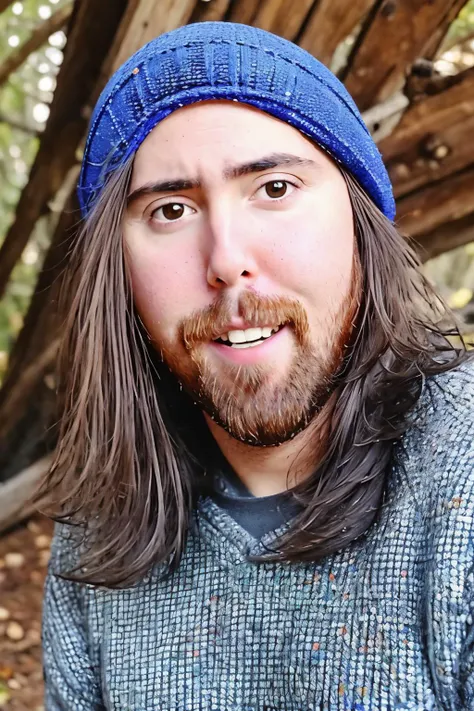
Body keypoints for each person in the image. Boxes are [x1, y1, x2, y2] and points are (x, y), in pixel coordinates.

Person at [38, 20, 474, 711]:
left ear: (361, 225)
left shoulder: (463, 479)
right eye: (171, 209)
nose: (225, 261)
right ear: (117, 273)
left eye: (274, 189)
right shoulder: (95, 536)